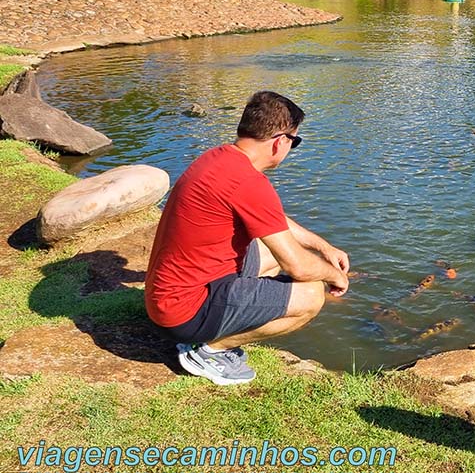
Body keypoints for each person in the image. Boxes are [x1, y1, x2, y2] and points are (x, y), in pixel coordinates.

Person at [145, 90, 350, 385]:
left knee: (265, 252)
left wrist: (322, 246)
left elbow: (271, 220)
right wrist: (335, 276)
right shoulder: (247, 181)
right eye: (296, 141)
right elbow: (298, 268)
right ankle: (209, 351)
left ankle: (221, 324)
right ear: (281, 141)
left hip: (169, 298)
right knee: (311, 294)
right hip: (181, 313)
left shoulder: (220, 158)